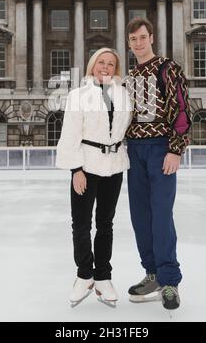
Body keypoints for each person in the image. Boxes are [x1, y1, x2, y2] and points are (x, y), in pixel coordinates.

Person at [124, 17, 191, 310]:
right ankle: (151, 273)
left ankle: (170, 281)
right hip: (134, 150)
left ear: (151, 37)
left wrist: (175, 150)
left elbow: (181, 111)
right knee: (140, 216)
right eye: (133, 40)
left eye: (142, 37)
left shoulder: (168, 68)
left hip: (160, 147)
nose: (138, 43)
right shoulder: (128, 76)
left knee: (161, 214)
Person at [56, 48, 132, 307]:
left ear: (116, 68)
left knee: (106, 224)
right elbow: (69, 135)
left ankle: (103, 276)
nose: (106, 67)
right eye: (102, 62)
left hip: (114, 166)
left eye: (111, 64)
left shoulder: (124, 96)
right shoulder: (78, 95)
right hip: (86, 166)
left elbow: (127, 130)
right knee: (81, 224)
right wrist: (75, 169)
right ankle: (84, 274)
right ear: (92, 65)